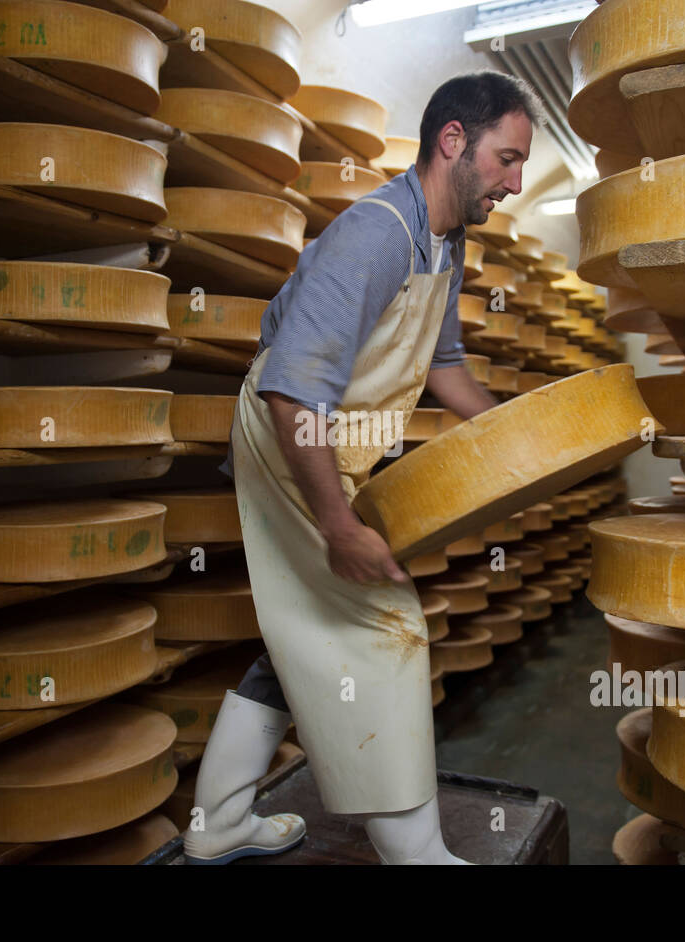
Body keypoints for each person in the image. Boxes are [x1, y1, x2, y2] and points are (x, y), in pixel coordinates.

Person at [182, 71, 545, 865]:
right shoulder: (376, 233)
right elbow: (291, 389)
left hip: (331, 438)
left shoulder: (446, 241)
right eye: (508, 159)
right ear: (454, 140)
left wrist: (523, 435)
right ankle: (416, 853)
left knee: (299, 635)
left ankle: (218, 822)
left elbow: (443, 362)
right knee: (381, 623)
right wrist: (337, 524)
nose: (516, 183)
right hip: (291, 435)